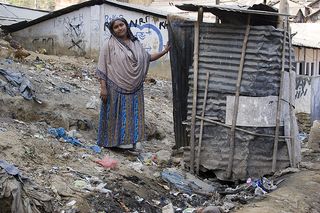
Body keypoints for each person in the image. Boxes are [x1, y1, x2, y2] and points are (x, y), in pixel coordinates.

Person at [96, 17, 170, 149]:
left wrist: (164, 51)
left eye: (121, 25)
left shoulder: (136, 43)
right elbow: (102, 67)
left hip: (135, 87)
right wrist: (103, 87)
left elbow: (147, 58)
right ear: (112, 30)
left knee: (132, 115)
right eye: (116, 27)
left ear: (126, 25)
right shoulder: (109, 44)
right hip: (114, 85)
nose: (120, 28)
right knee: (115, 114)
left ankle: (129, 144)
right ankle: (112, 143)